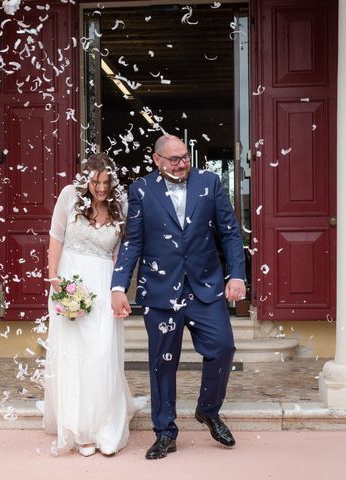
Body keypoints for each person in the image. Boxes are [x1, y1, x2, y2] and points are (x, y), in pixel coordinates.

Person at [111, 134, 246, 460]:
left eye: (185, 157)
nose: (182, 163)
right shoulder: (141, 189)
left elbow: (229, 232)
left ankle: (208, 410)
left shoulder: (210, 182)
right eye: (174, 159)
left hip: (205, 287)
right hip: (159, 290)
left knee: (223, 347)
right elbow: (133, 242)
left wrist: (237, 274)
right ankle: (165, 433)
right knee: (162, 365)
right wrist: (118, 287)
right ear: (157, 160)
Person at [39, 153, 144, 457]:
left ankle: (103, 425)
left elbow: (119, 254)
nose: (101, 188)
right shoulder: (69, 197)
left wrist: (119, 289)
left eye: (106, 182)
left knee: (101, 352)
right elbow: (56, 238)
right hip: (70, 280)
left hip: (103, 282)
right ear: (86, 179)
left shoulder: (119, 204)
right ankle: (80, 429)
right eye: (96, 182)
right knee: (74, 355)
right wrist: (54, 279)